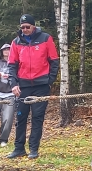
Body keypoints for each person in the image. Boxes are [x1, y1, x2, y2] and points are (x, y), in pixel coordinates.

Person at [7, 14, 59, 159]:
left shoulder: (46, 38)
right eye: (22, 27)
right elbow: (12, 65)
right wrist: (14, 84)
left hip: (41, 85)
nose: (24, 29)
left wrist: (49, 81)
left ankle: (33, 148)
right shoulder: (16, 42)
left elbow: (54, 61)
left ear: (33, 26)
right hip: (22, 85)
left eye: (27, 27)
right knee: (20, 118)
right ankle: (19, 148)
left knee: (37, 118)